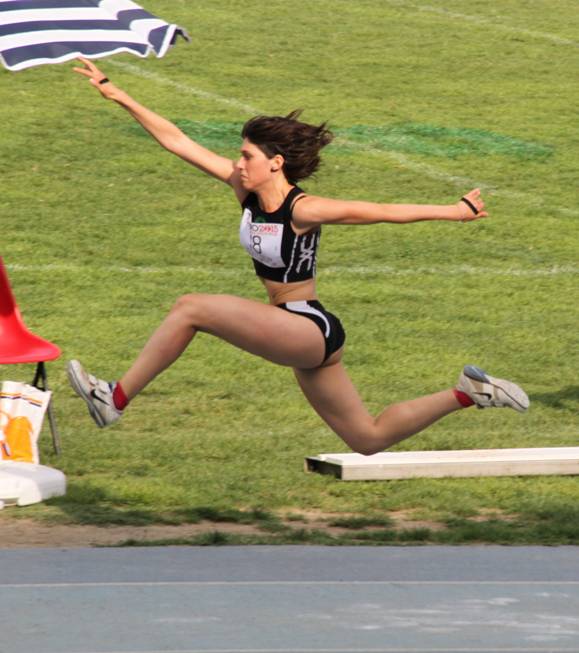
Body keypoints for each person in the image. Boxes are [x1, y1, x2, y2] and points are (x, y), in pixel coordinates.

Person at [67, 57, 529, 455]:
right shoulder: (243, 190)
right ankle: (470, 392)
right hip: (294, 330)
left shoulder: (304, 209)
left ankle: (114, 399)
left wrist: (454, 211)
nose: (238, 162)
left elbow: (380, 211)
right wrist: (119, 95)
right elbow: (178, 141)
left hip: (307, 326)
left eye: (246, 155)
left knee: (192, 307)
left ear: (275, 162)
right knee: (366, 439)